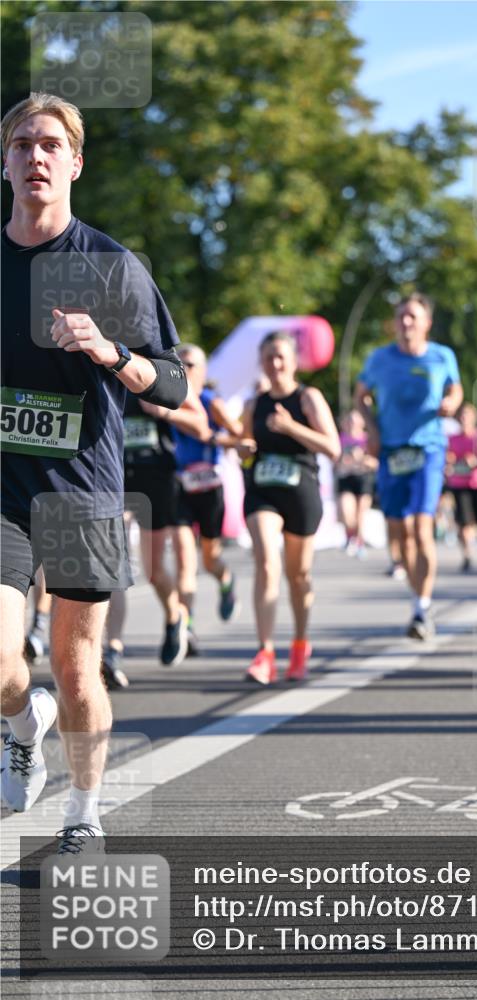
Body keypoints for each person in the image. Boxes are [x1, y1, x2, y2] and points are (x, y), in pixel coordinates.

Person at [0, 93, 187, 854]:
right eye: (20, 144)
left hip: (84, 493)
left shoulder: (111, 266)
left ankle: (84, 812)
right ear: (4, 162)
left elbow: (173, 385)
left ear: (75, 162)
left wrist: (109, 351)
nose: (34, 157)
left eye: (49, 144)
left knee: (78, 672)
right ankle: (21, 722)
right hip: (4, 494)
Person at [354, 293, 463, 639]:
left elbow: (456, 390)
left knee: (421, 526)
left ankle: (422, 608)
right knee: (399, 532)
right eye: (401, 317)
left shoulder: (441, 356)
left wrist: (450, 402)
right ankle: (417, 595)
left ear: (426, 323)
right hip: (391, 451)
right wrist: (371, 428)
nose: (406, 323)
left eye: (413, 317)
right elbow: (360, 396)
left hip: (428, 449)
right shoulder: (379, 359)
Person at [240, 331, 340, 684]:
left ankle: (299, 646)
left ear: (295, 361)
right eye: (269, 357)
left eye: (281, 356)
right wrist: (244, 449)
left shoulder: (308, 397)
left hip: (301, 493)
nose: (275, 364)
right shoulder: (255, 404)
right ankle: (265, 653)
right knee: (267, 561)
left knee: (298, 576)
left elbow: (333, 447)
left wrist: (290, 426)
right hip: (263, 491)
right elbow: (243, 442)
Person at [102, 385, 211, 685]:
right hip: (116, 477)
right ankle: (113, 650)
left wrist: (165, 411)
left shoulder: (159, 369)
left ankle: (175, 616)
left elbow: (201, 426)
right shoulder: (102, 367)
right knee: (114, 565)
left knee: (153, 571)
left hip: (156, 481)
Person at [171, 345, 244, 651]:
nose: (184, 370)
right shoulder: (168, 401)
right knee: (185, 563)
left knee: (209, 559)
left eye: (190, 364)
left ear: (202, 370)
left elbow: (240, 435)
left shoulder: (210, 402)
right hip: (179, 488)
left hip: (210, 489)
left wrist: (215, 438)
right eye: (179, 364)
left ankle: (226, 581)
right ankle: (186, 628)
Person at [445, 403, 477, 571]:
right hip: (459, 483)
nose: (464, 419)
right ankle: (467, 556)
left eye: (467, 415)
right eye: (462, 416)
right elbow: (447, 459)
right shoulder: (452, 439)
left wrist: (476, 461)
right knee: (463, 522)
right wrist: (449, 462)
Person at [336, 409, 378, 558]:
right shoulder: (340, 439)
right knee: (347, 512)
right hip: (346, 478)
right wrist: (342, 460)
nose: (351, 424)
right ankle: (350, 537)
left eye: (354, 421)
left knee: (360, 514)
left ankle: (358, 542)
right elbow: (333, 459)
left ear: (362, 423)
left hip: (364, 479)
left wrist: (362, 459)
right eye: (349, 421)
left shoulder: (368, 439)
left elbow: (376, 463)